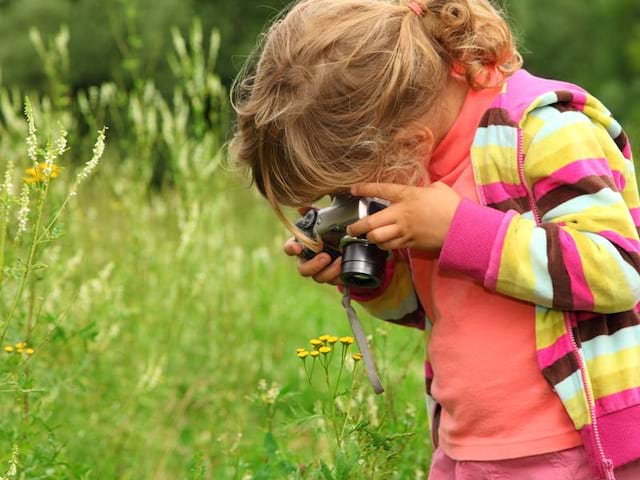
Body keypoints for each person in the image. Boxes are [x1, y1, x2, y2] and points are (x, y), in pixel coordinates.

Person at [229, 0, 640, 478]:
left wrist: (457, 230)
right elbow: (437, 309)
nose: (348, 197)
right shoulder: (416, 169)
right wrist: (371, 280)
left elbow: (618, 271)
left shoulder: (545, 131)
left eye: (349, 187)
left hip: (577, 451)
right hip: (464, 451)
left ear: (406, 141)